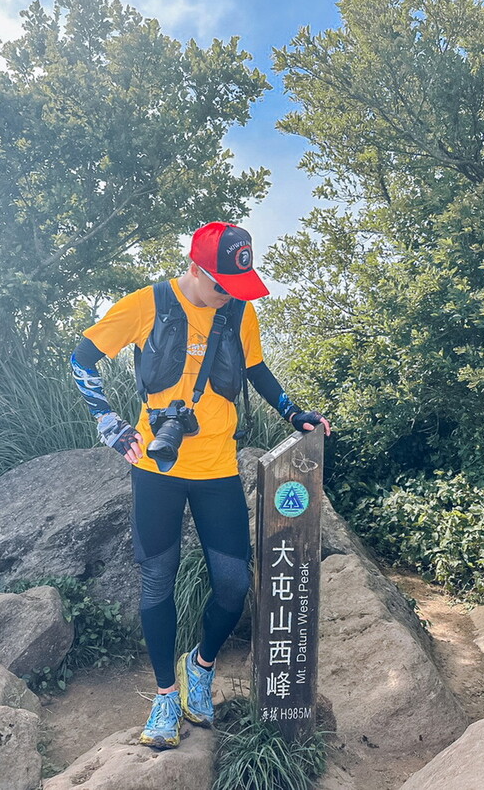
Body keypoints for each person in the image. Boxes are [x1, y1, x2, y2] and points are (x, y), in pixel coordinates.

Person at [70, 221, 331, 749]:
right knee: (156, 582)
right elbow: (82, 360)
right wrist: (109, 423)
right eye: (221, 285)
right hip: (158, 470)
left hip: (217, 468)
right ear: (194, 268)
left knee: (233, 586)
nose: (229, 295)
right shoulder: (146, 304)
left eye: (237, 286)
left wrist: (293, 412)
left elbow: (255, 370)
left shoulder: (239, 310)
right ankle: (166, 696)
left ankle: (200, 666)